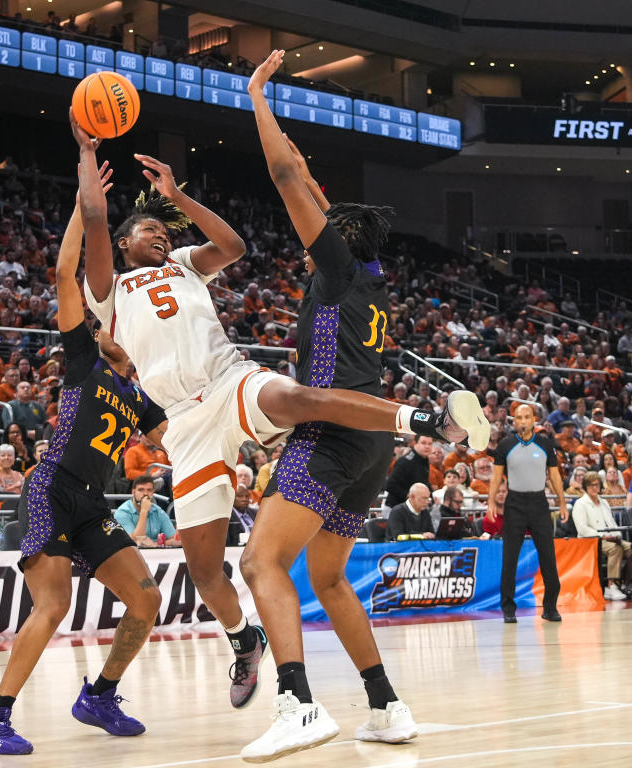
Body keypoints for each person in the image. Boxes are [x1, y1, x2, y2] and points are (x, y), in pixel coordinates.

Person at [72, 99, 487, 726]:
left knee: (300, 397)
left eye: (163, 231)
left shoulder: (185, 265)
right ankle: (245, 640)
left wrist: (178, 198)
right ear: (127, 244)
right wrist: (86, 155)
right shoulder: (106, 291)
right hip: (182, 423)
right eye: (148, 232)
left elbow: (233, 245)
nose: (159, 236)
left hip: (228, 379)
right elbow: (97, 222)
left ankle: (426, 424)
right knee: (207, 570)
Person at [237, 55, 482, 760]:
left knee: (260, 562)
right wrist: (303, 161)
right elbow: (309, 185)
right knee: (329, 575)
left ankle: (298, 703)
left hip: (336, 431)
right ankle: (386, 705)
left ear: (336, 238)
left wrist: (258, 98)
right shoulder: (369, 282)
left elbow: (289, 181)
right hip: (372, 447)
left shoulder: (338, 271)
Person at [0, 165, 169, 756]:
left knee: (147, 599)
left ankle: (100, 694)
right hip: (51, 487)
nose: (107, 323)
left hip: (90, 502)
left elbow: (177, 439)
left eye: (115, 322)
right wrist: (87, 203)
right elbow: (63, 272)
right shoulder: (84, 356)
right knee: (54, 604)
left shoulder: (142, 393)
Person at [487, 404, 568, 624]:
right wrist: (491, 502)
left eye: (527, 417)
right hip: (514, 503)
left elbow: (555, 477)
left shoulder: (545, 444)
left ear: (534, 420)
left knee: (548, 557)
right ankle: (508, 609)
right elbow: (496, 478)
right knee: (510, 558)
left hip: (539, 503)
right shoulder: (505, 445)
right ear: (515, 421)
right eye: (519, 418)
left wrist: (562, 503)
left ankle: (550, 608)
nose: (523, 421)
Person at [571, 474, 632, 601]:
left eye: (597, 484)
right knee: (615, 549)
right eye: (591, 485)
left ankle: (626, 584)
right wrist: (603, 536)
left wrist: (616, 535)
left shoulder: (604, 502)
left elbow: (612, 524)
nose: (595, 488)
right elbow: (582, 529)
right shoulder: (580, 503)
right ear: (586, 487)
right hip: (590, 539)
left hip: (609, 537)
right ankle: (611, 586)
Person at [113, 474, 178, 547]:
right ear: (133, 492)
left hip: (155, 554)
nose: (145, 494)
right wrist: (144, 511)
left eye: (149, 490)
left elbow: (174, 539)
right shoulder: (122, 512)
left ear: (153, 492)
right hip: (132, 554)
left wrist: (155, 544)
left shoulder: (158, 511)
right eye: (141, 490)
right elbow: (134, 542)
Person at [383, 435, 433, 509]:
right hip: (395, 508)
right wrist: (410, 496)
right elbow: (390, 485)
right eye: (423, 443)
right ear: (415, 443)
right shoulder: (406, 462)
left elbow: (423, 482)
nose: (427, 446)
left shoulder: (424, 460)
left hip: (412, 508)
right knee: (360, 516)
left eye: (430, 444)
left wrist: (431, 496)